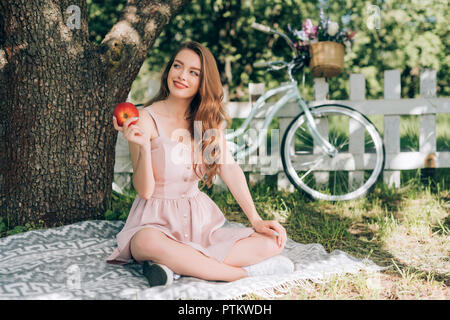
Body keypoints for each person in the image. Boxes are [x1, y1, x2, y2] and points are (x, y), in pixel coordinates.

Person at [107, 41, 294, 286]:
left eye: (193, 72)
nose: (182, 75)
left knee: (272, 242)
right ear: (169, 70)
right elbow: (145, 191)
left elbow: (230, 169)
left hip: (198, 223)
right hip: (154, 222)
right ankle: (242, 274)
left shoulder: (206, 120)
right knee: (145, 243)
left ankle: (177, 266)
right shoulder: (144, 119)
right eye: (178, 66)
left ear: (203, 81)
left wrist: (256, 220)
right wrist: (141, 146)